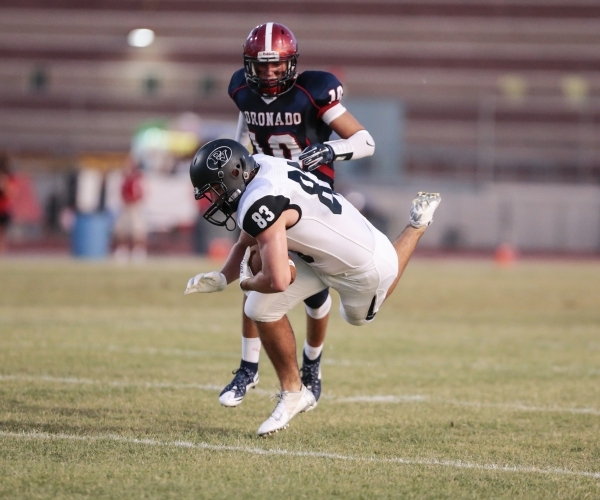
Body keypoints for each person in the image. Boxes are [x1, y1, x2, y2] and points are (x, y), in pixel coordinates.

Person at [184, 139, 441, 435]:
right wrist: (221, 277)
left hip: (365, 266)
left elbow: (278, 279)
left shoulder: (259, 201)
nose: (214, 199)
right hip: (326, 252)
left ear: (234, 175)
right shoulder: (264, 165)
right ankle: (294, 392)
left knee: (355, 317)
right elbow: (247, 240)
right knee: (258, 307)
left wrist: (244, 280)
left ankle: (416, 224)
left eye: (215, 190)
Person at [221, 22, 376, 408]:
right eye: (261, 65)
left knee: (316, 288)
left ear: (291, 64)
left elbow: (365, 140)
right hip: (264, 195)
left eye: (276, 65)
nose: (268, 73)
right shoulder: (242, 89)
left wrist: (332, 150)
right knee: (254, 271)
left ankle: (312, 363)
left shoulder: (313, 90)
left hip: (311, 202)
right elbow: (244, 133)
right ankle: (247, 366)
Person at [112, 159, 147, 263]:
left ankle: (138, 252)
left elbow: (141, 192)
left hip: (135, 206)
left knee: (137, 230)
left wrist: (136, 201)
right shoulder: (122, 178)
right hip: (125, 206)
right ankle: (122, 251)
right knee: (122, 230)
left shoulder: (139, 178)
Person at [0, 153, 16, 255]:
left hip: (3, 209)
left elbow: (11, 194)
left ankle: (1, 253)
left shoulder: (9, 178)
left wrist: (4, 184)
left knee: (2, 233)